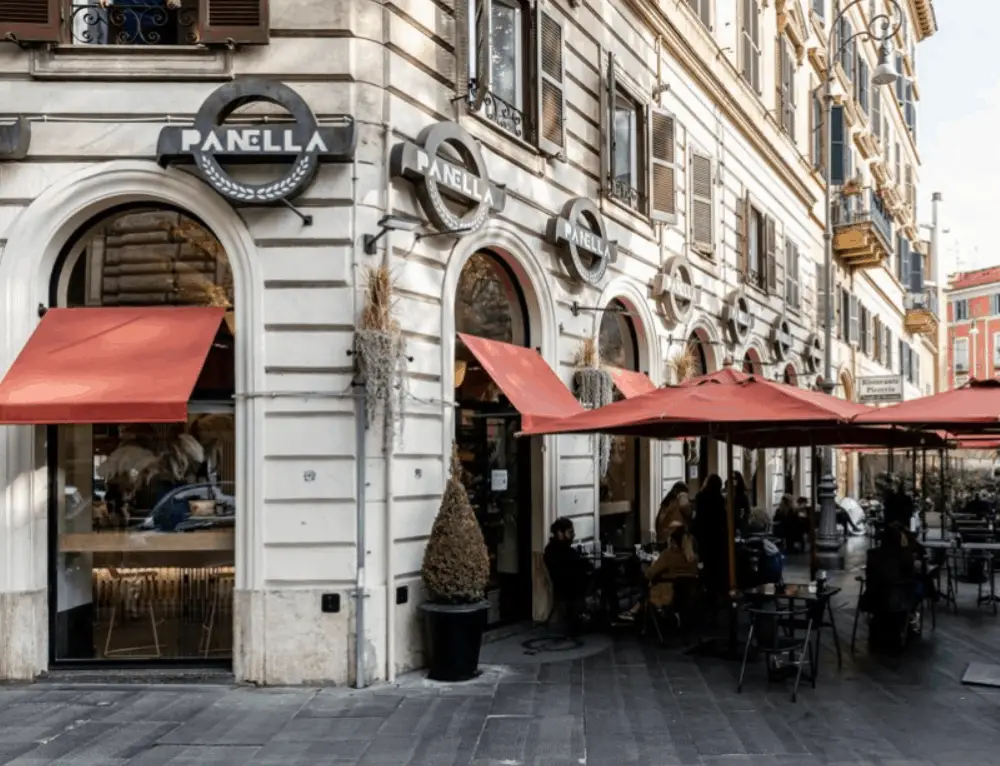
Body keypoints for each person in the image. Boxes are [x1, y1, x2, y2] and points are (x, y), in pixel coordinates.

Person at [543, 517, 594, 633]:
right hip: (568, 587)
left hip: (573, 584)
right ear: (560, 533)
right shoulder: (554, 551)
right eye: (570, 532)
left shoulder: (564, 550)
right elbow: (563, 572)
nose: (573, 535)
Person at [646, 524, 699, 611]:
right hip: (689, 599)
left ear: (673, 541)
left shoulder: (668, 555)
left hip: (667, 595)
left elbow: (650, 573)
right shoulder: (693, 558)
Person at [693, 474, 729, 598]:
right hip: (718, 540)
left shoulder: (701, 499)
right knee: (718, 566)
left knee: (706, 566)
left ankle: (708, 591)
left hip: (704, 539)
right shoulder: (720, 501)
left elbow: (698, 520)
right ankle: (717, 592)